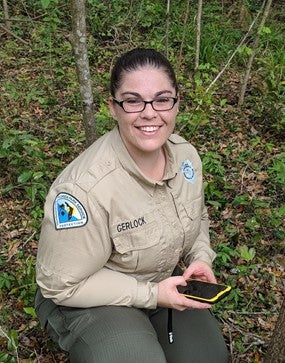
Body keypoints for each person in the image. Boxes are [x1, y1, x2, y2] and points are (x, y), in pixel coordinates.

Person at [35, 48, 228, 363]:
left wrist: (201, 258)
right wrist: (152, 295)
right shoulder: (83, 188)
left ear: (177, 103)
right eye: (133, 100)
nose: (150, 113)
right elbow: (61, 284)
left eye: (162, 99)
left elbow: (199, 216)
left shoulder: (186, 157)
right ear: (113, 107)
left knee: (207, 357)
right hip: (87, 297)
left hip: (160, 282)